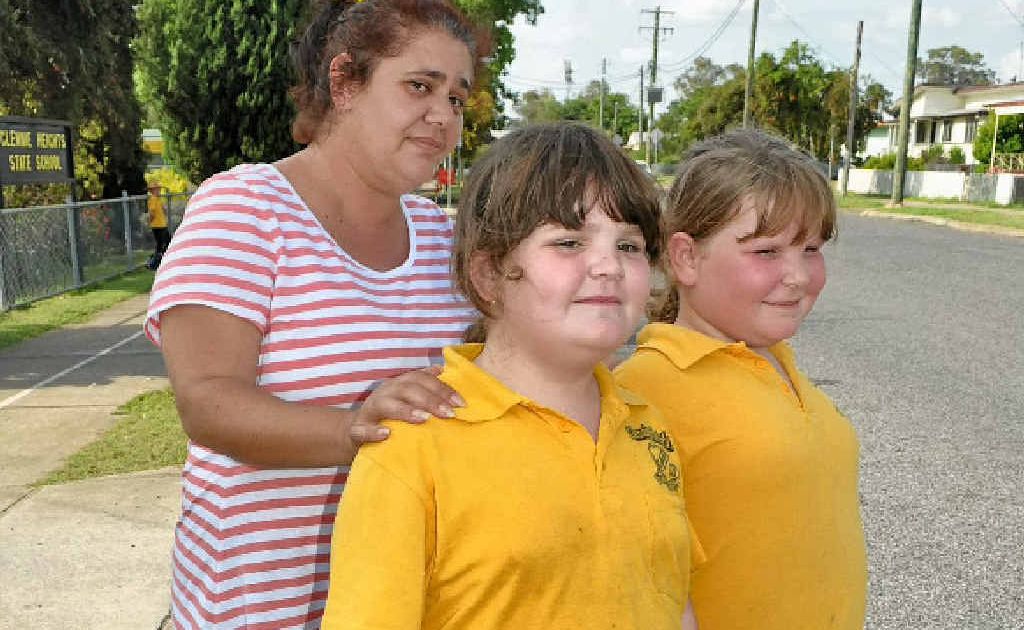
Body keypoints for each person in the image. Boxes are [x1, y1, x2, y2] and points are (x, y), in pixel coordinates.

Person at [144, 1, 486, 627]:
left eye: (457, 99)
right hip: (263, 609)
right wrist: (358, 429)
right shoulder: (246, 210)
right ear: (344, 83)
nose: (443, 117)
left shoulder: (447, 241)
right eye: (420, 86)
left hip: (411, 607)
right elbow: (208, 402)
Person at [322, 122, 700, 630]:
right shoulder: (414, 447)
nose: (608, 265)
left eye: (629, 246)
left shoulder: (648, 428)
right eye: (569, 242)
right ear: (488, 275)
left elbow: (675, 601)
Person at [614, 129, 868, 629]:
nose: (797, 275)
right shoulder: (645, 389)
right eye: (767, 252)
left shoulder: (776, 359)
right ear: (686, 257)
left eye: (811, 249)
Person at [145, 182, 170, 270]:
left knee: (167, 243)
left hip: (163, 225)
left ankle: (159, 261)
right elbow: (151, 213)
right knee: (160, 246)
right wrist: (150, 223)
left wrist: (164, 208)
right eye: (157, 189)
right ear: (152, 191)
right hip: (157, 226)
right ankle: (152, 264)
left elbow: (164, 210)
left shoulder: (159, 199)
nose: (159, 190)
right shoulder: (152, 199)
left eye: (159, 189)